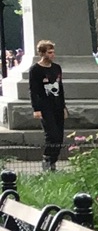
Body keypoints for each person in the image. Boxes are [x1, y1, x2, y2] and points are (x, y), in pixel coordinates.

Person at [28, 39, 66, 168]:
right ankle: (47, 159)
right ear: (42, 53)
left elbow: (60, 88)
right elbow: (33, 90)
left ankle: (53, 161)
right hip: (45, 106)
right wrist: (36, 108)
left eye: (53, 52)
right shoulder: (35, 70)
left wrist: (64, 107)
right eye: (49, 52)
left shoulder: (56, 68)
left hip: (57, 106)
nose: (52, 55)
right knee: (52, 134)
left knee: (60, 137)